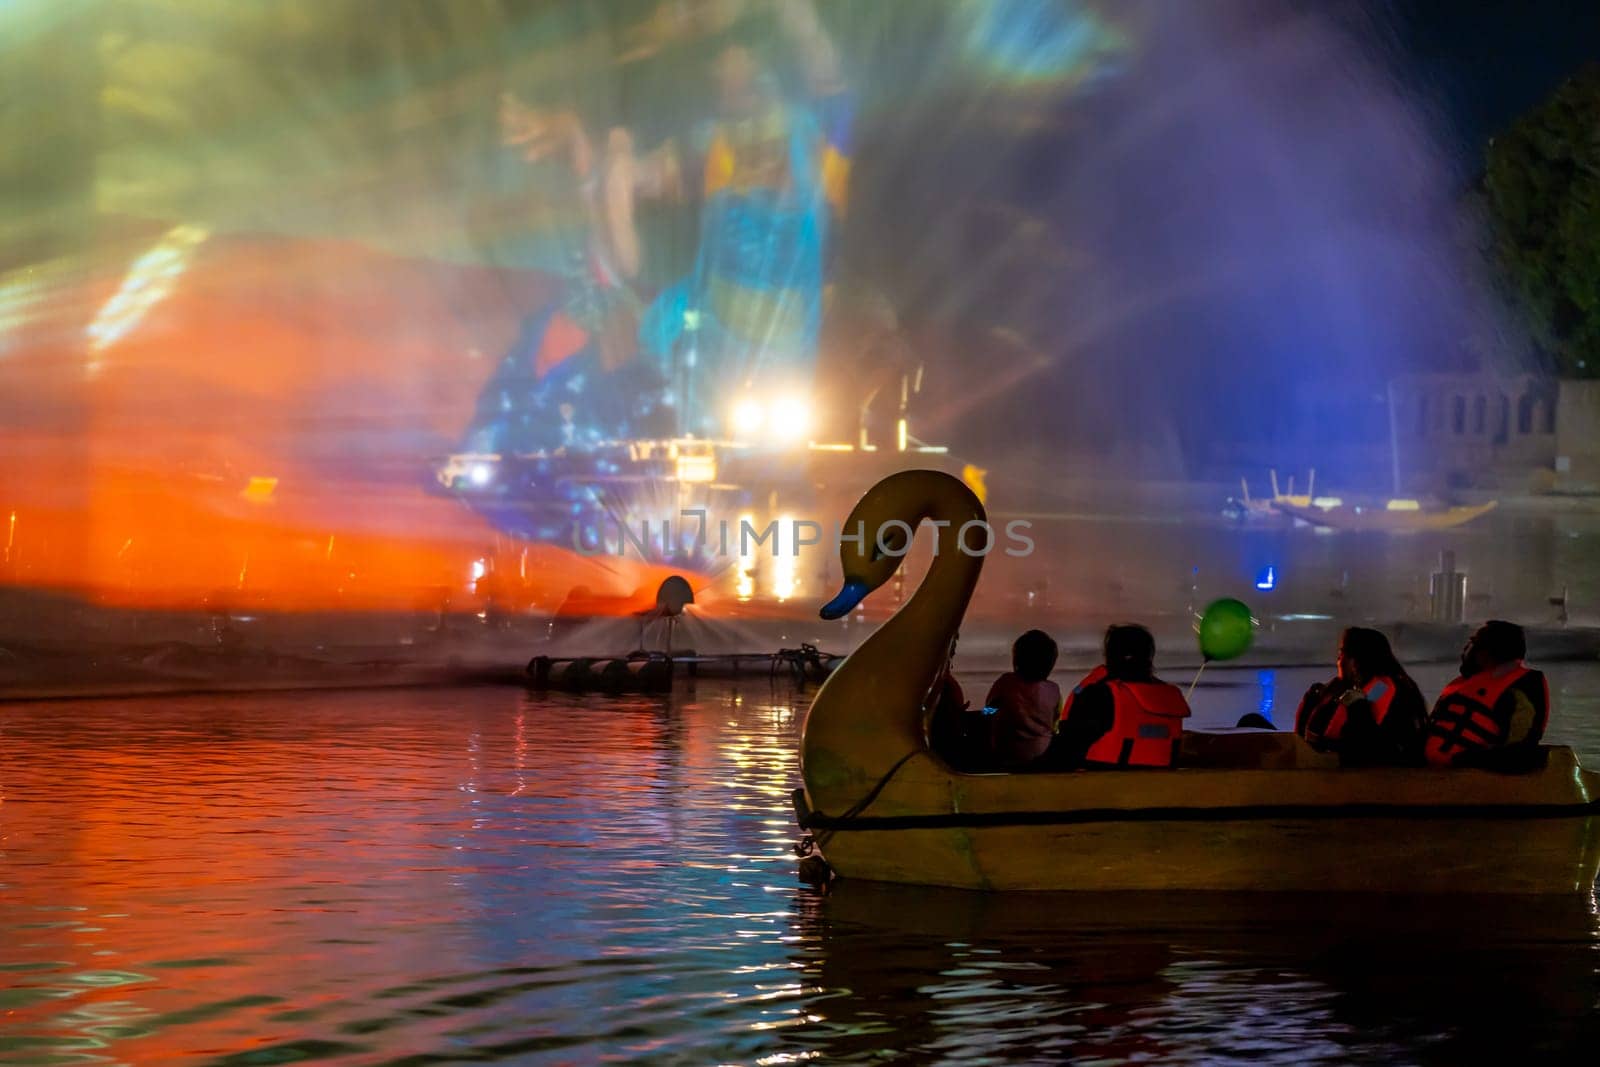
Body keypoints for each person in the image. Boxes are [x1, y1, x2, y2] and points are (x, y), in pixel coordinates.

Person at [1054, 624, 1190, 768]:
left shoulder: (1100, 695)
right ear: (1149, 657)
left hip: (1105, 781)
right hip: (1162, 783)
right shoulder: (1170, 697)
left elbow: (1067, 746)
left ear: (1110, 656)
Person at [1423, 620, 1550, 770]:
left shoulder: (1522, 687)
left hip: (1474, 778)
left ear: (1486, 653)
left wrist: (1465, 760)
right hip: (1432, 770)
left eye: (1473, 643)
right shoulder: (1465, 684)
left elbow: (1521, 749)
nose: (1466, 649)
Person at [1294, 627, 1427, 766]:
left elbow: (1365, 744)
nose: (1338, 660)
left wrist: (1356, 706)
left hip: (1383, 778)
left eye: (1341, 653)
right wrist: (1312, 700)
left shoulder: (1381, 689)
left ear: (1355, 663)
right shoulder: (1347, 690)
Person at [981, 630, 1063, 770]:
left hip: (1006, 756)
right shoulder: (1054, 690)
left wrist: (989, 711)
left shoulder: (1006, 682)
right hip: (1042, 756)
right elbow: (1055, 722)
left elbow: (988, 711)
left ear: (1017, 659)